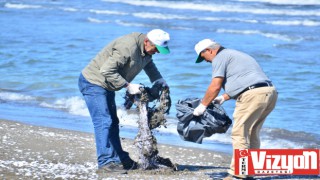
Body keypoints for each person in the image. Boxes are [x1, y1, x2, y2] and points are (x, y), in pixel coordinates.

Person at [78, 29, 170, 174]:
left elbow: (149, 65)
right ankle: (106, 163)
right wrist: (128, 86)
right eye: (157, 49)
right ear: (147, 42)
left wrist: (158, 80)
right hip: (93, 82)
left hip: (107, 85)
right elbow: (106, 70)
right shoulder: (127, 47)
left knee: (113, 122)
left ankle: (121, 159)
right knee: (104, 121)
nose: (157, 52)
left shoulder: (146, 50)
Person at [192, 39, 277, 180]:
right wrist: (224, 97)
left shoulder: (219, 57)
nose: (206, 61)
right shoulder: (235, 54)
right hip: (269, 92)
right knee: (252, 133)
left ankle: (239, 174)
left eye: (203, 57)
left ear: (209, 50)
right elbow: (246, 80)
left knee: (239, 134)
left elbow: (215, 85)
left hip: (252, 95)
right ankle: (249, 172)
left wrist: (202, 106)